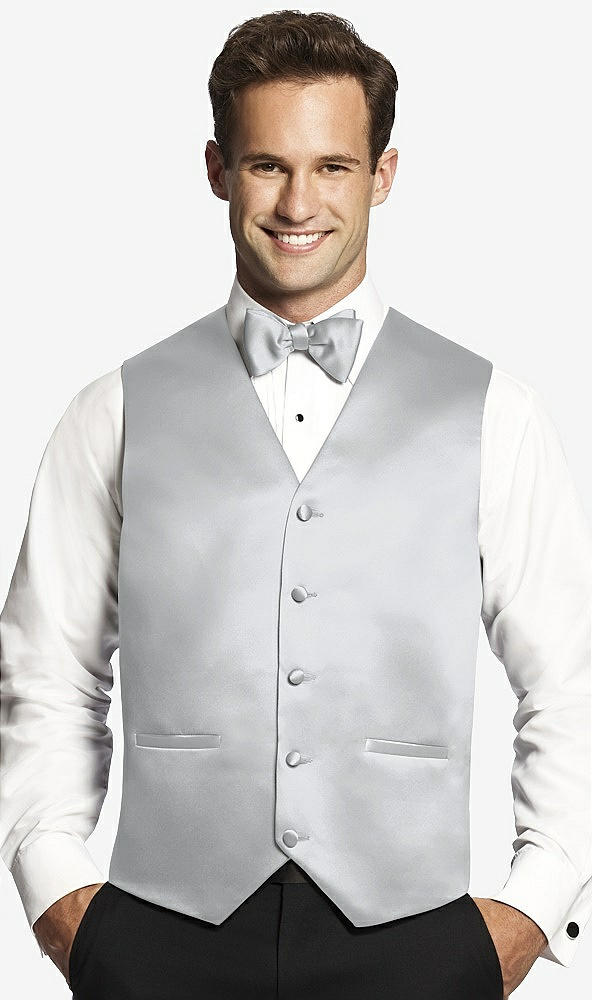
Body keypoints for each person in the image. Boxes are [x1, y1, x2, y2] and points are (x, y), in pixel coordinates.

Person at [1, 10, 590, 999]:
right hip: (160, 937)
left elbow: (570, 679)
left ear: (383, 175)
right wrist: (59, 895)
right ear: (217, 169)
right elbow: (44, 670)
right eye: (267, 164)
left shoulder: (495, 411)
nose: (297, 202)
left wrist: (533, 910)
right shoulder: (114, 409)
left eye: (333, 167)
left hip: (413, 937)